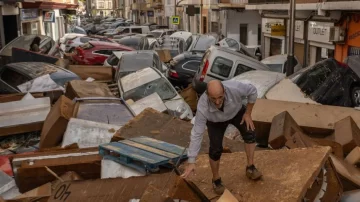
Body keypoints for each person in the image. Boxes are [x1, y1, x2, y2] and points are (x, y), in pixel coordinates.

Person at [181, 80, 262, 195]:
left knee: (250, 133)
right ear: (207, 95)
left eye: (220, 97)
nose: (217, 101)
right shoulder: (202, 106)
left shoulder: (235, 88)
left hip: (236, 112)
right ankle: (216, 180)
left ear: (224, 91)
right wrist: (191, 160)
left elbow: (253, 91)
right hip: (215, 122)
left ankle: (251, 167)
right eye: (213, 98)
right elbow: (197, 133)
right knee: (215, 149)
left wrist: (248, 113)